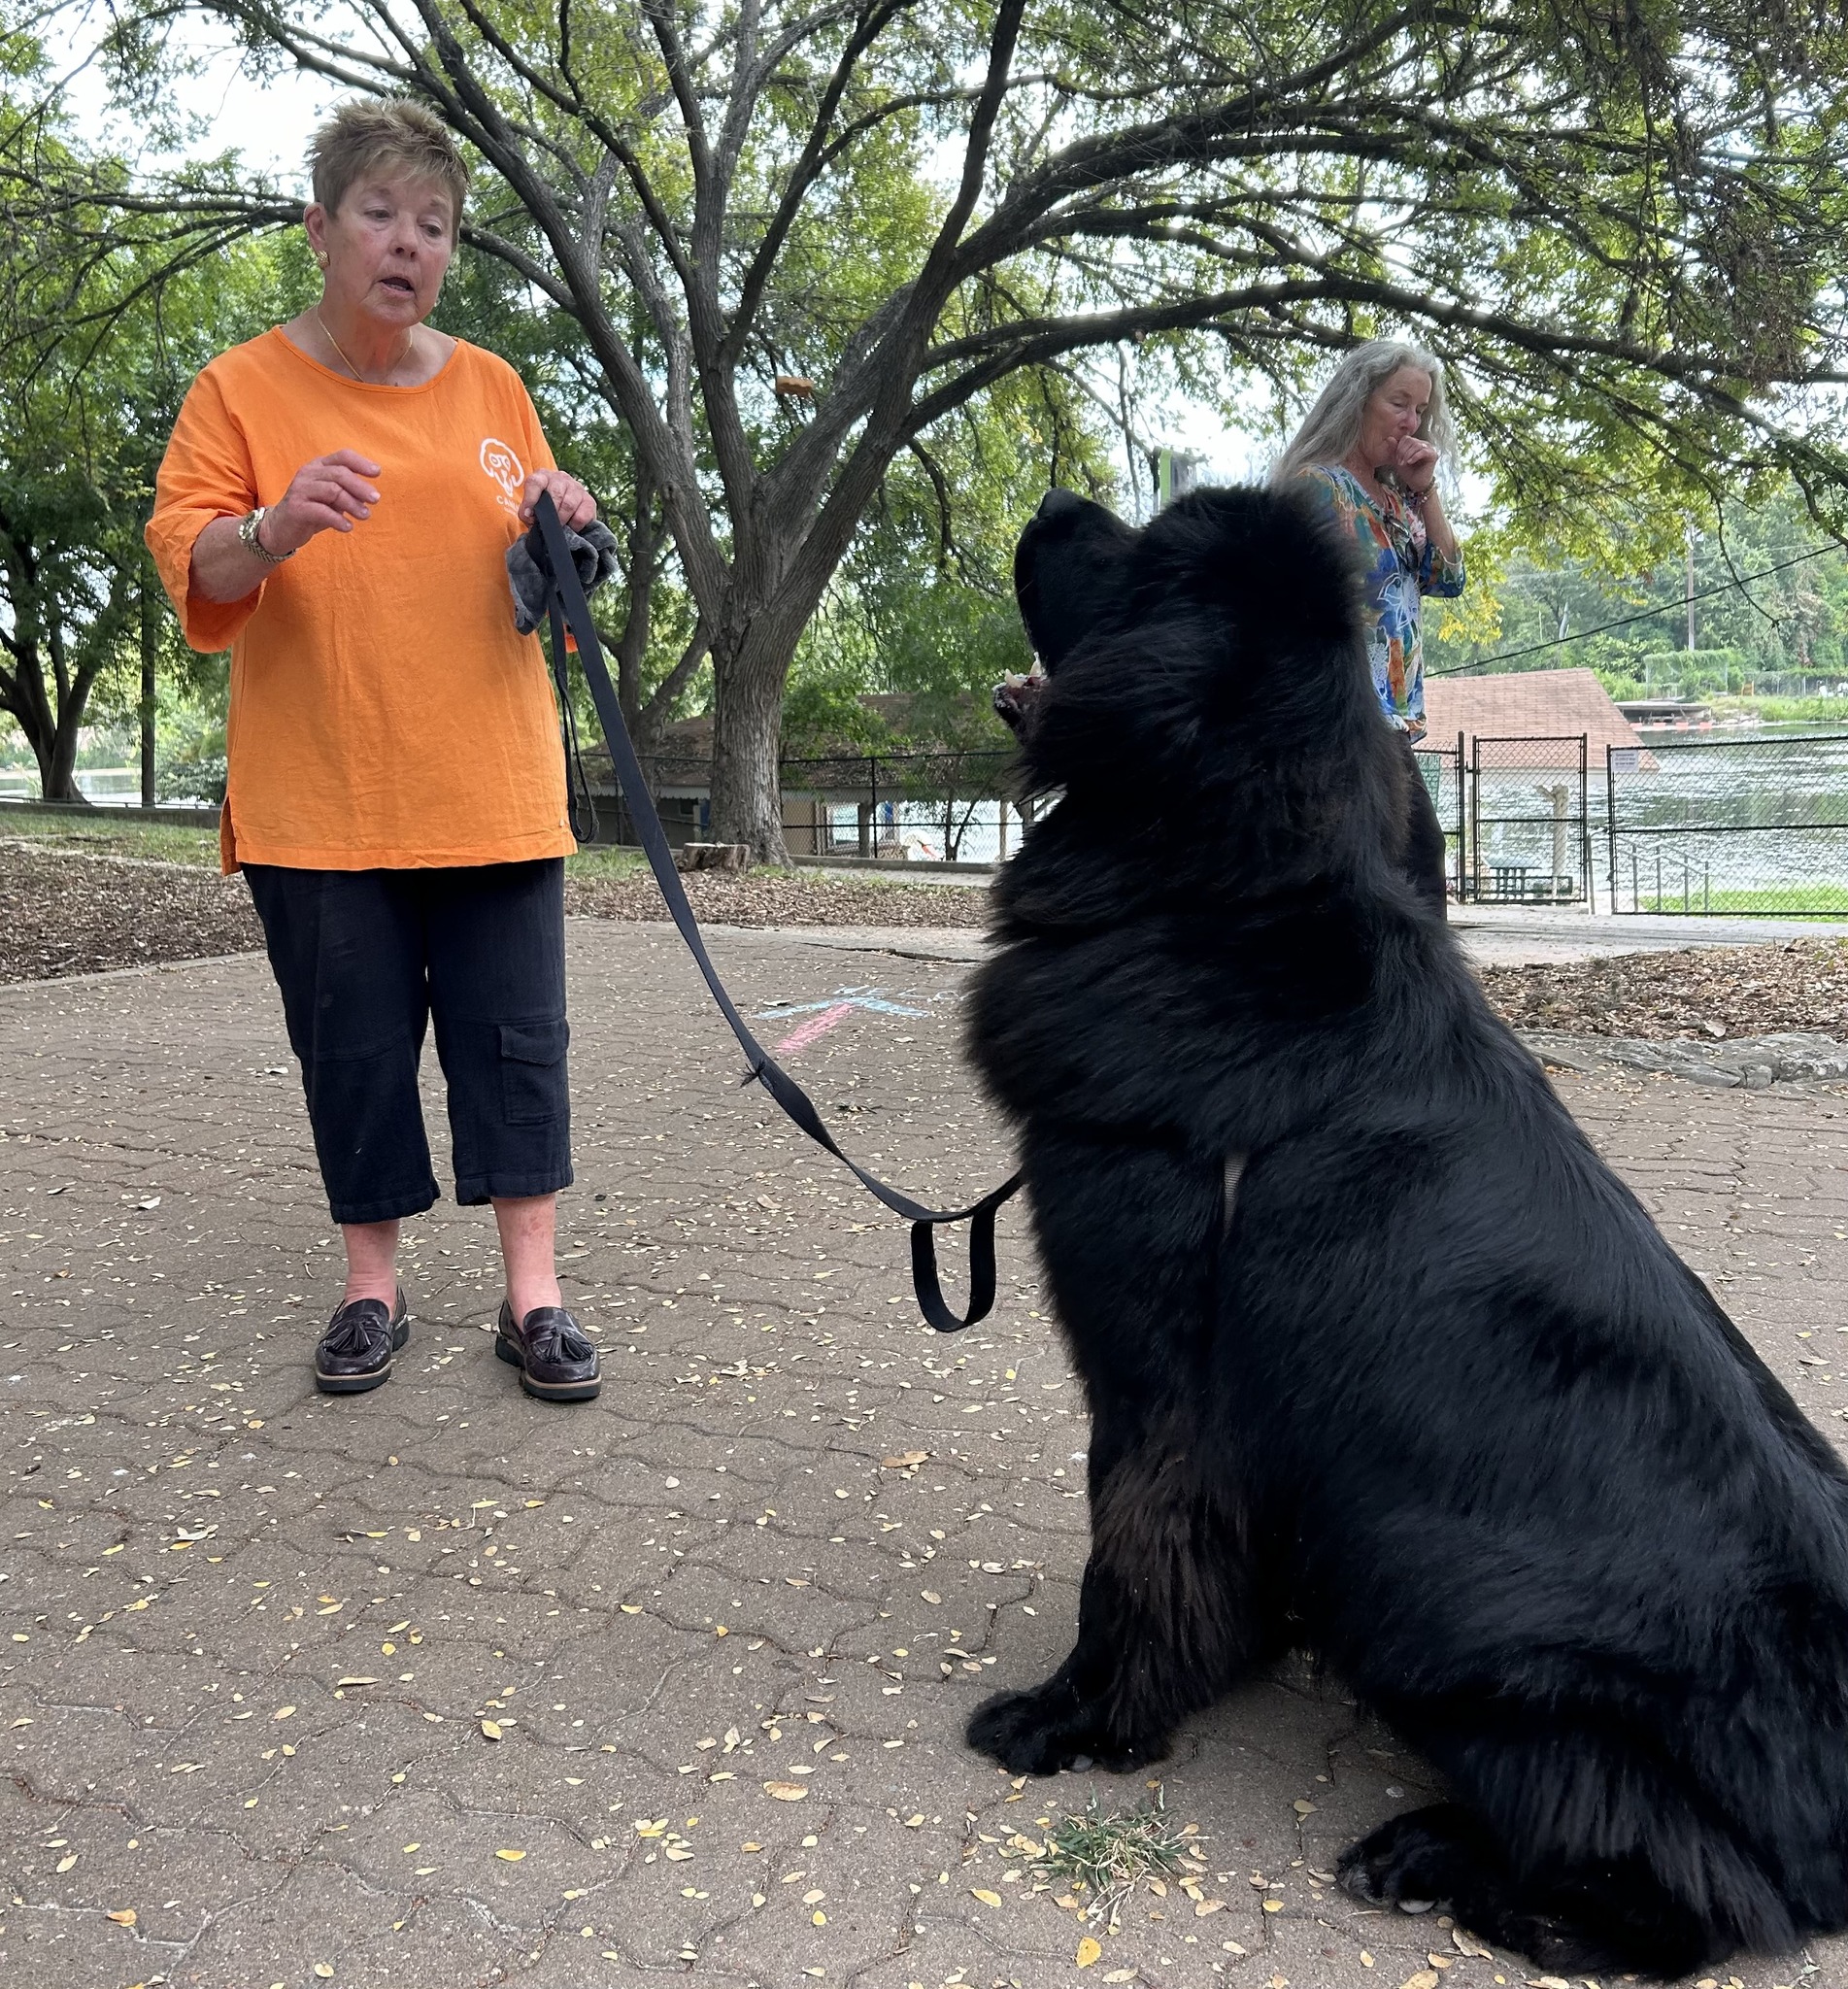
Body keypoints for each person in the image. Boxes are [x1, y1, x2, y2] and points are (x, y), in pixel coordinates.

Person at [147, 101, 604, 1403]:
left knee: (517, 1042)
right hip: (322, 797)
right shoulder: (240, 389)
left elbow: (538, 563)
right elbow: (190, 556)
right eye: (381, 214)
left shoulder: (493, 387)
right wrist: (275, 524)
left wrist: (564, 520)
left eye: (436, 226)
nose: (409, 243)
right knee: (350, 1052)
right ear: (320, 228)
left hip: (492, 788)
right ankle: (371, 1284)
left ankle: (535, 1299)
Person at [1273, 340, 1466, 912]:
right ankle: (1414, 996)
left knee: (1395, 866)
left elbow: (1448, 577)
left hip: (1391, 718)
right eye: (1399, 404)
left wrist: (1425, 489)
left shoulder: (1397, 498)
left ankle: (1384, 993)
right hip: (1344, 713)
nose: (1411, 422)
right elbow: (1285, 602)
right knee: (1415, 861)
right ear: (1359, 399)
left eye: (1420, 411)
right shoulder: (1319, 488)